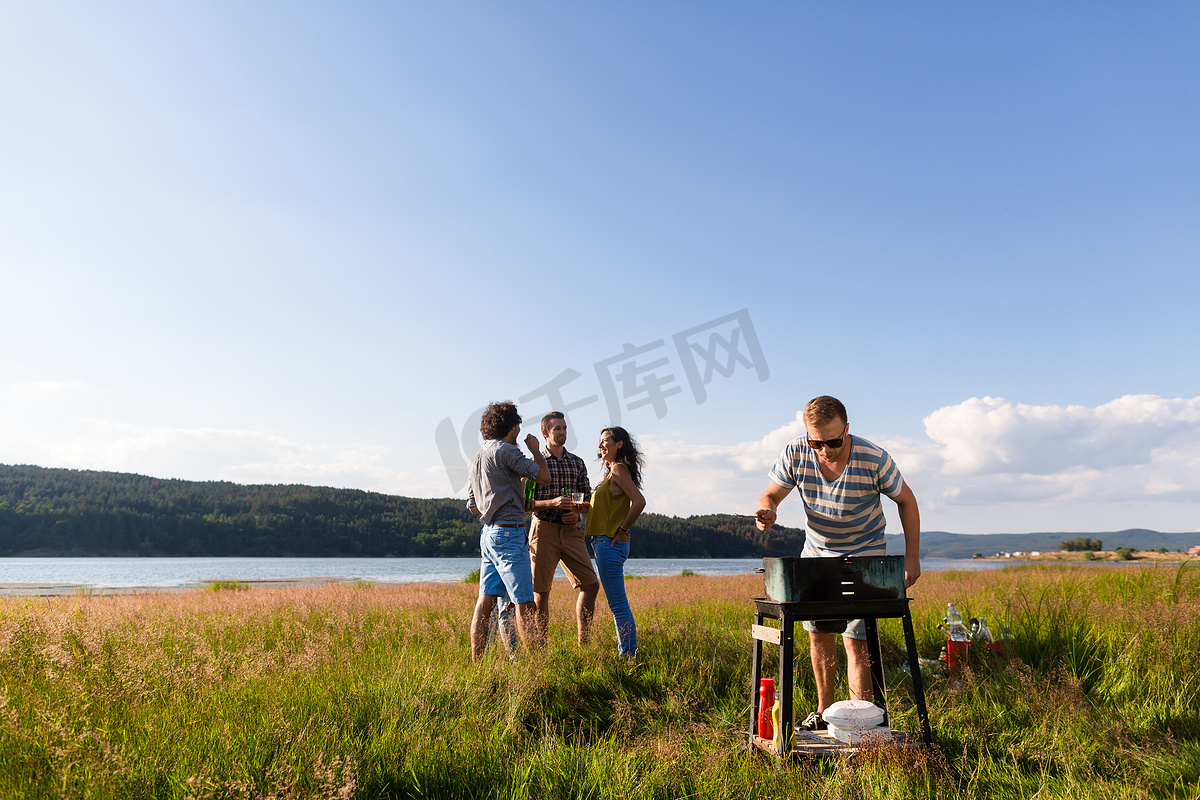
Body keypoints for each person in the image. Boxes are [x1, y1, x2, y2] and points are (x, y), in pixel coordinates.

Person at [754, 395, 921, 730]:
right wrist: (768, 510)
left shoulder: (874, 458)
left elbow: (906, 500)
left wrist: (913, 557)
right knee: (819, 635)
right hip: (817, 556)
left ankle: (861, 719)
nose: (825, 450)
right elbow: (770, 494)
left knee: (856, 640)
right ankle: (825, 711)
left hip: (865, 555)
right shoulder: (796, 452)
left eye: (833, 441)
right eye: (817, 442)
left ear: (847, 429)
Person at [465, 401, 551, 661]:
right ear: (512, 426)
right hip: (509, 533)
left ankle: (476, 665)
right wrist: (536, 451)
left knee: (485, 603)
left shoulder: (478, 456)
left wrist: (497, 501)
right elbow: (544, 477)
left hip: (488, 533)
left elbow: (472, 506)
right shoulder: (506, 451)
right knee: (525, 603)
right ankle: (537, 669)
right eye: (518, 426)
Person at [527, 412, 601, 644]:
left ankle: (584, 645)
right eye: (557, 428)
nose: (562, 432)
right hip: (543, 529)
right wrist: (552, 503)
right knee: (540, 592)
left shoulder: (577, 462)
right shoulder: (533, 464)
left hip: (571, 532)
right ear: (545, 433)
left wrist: (578, 513)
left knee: (591, 585)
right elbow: (525, 504)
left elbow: (587, 500)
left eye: (565, 428)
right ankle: (541, 651)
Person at [584, 426, 646, 658]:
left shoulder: (619, 469)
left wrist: (622, 530)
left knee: (618, 605)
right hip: (605, 543)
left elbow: (639, 501)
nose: (600, 445)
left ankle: (628, 655)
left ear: (619, 444)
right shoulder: (612, 472)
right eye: (599, 442)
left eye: (605, 441)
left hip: (610, 543)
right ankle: (628, 653)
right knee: (617, 603)